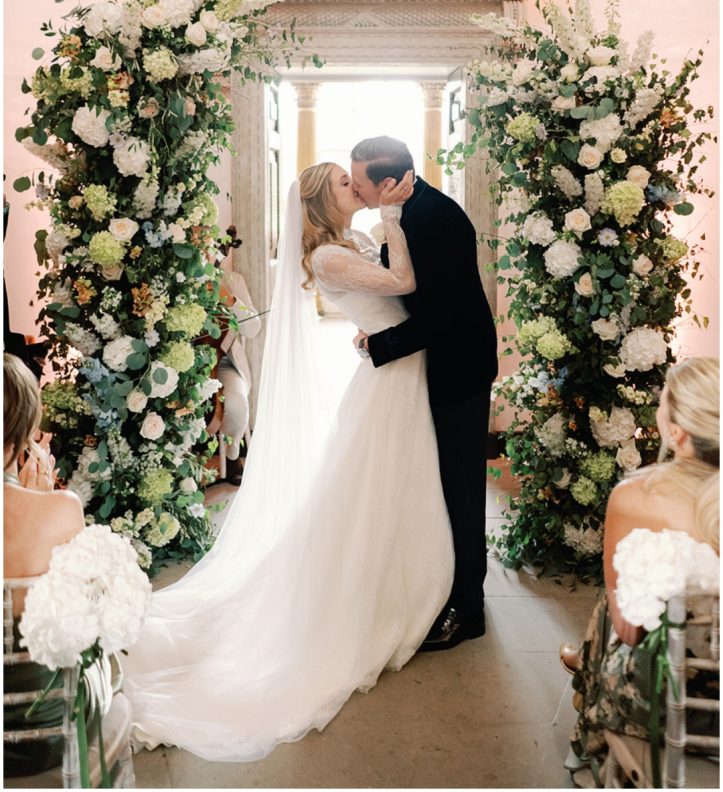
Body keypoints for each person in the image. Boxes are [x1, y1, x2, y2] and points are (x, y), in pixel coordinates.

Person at [122, 163, 454, 763]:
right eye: (342, 183)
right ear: (322, 202)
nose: (355, 184)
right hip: (389, 381)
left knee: (391, 490)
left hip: (395, 368)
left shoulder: (349, 242)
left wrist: (381, 239)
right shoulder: (328, 256)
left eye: (355, 179)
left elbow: (384, 293)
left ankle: (396, 583)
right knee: (376, 490)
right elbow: (402, 282)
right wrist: (393, 218)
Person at [351, 136, 498, 650]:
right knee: (437, 485)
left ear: (388, 184)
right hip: (432, 366)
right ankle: (442, 586)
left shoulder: (434, 219)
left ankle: (469, 610)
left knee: (461, 490)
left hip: (457, 369)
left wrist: (379, 345)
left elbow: (440, 316)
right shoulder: (405, 210)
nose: (357, 191)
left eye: (362, 183)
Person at [563, 357, 720, 788]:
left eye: (663, 402)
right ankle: (580, 659)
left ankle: (586, 707)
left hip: (673, 699)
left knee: (617, 603)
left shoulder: (636, 497)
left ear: (679, 432)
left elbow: (629, 631)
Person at [3, 354, 90, 776]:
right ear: (24, 433)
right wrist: (39, 500)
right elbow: (83, 620)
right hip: (43, 728)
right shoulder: (61, 509)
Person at [214, 226, 261, 485]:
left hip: (224, 362)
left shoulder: (233, 280)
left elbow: (253, 329)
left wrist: (230, 300)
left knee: (236, 402)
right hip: (189, 363)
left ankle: (232, 454)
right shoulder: (181, 281)